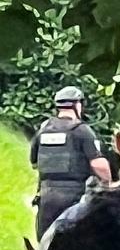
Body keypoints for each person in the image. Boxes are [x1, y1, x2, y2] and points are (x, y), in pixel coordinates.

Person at [30, 86, 112, 238]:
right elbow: (98, 163)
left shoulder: (44, 130)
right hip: (75, 197)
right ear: (77, 105)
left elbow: (34, 162)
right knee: (75, 243)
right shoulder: (82, 130)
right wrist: (108, 183)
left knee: (46, 244)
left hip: (47, 198)